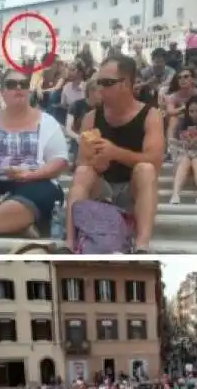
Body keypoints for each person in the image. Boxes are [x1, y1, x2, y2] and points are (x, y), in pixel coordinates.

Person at [66, 55, 165, 253]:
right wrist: (96, 162)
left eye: (107, 83)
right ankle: (70, 244)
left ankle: (142, 244)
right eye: (98, 82)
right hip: (102, 188)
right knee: (83, 172)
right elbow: (82, 163)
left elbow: (154, 161)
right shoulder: (91, 117)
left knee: (145, 169)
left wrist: (115, 153)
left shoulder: (150, 115)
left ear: (126, 84)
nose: (100, 88)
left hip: (133, 190)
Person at [0, 69, 68, 237]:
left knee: (32, 200)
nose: (18, 88)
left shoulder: (47, 122)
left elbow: (59, 161)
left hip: (34, 180)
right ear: (2, 92)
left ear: (29, 90)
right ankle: (4, 221)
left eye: (24, 84)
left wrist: (32, 174)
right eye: (12, 85)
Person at [169, 94, 197, 205]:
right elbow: (173, 142)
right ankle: (176, 193)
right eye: (191, 111)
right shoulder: (182, 123)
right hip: (185, 155)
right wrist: (183, 143)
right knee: (186, 159)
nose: (194, 114)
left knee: (196, 160)